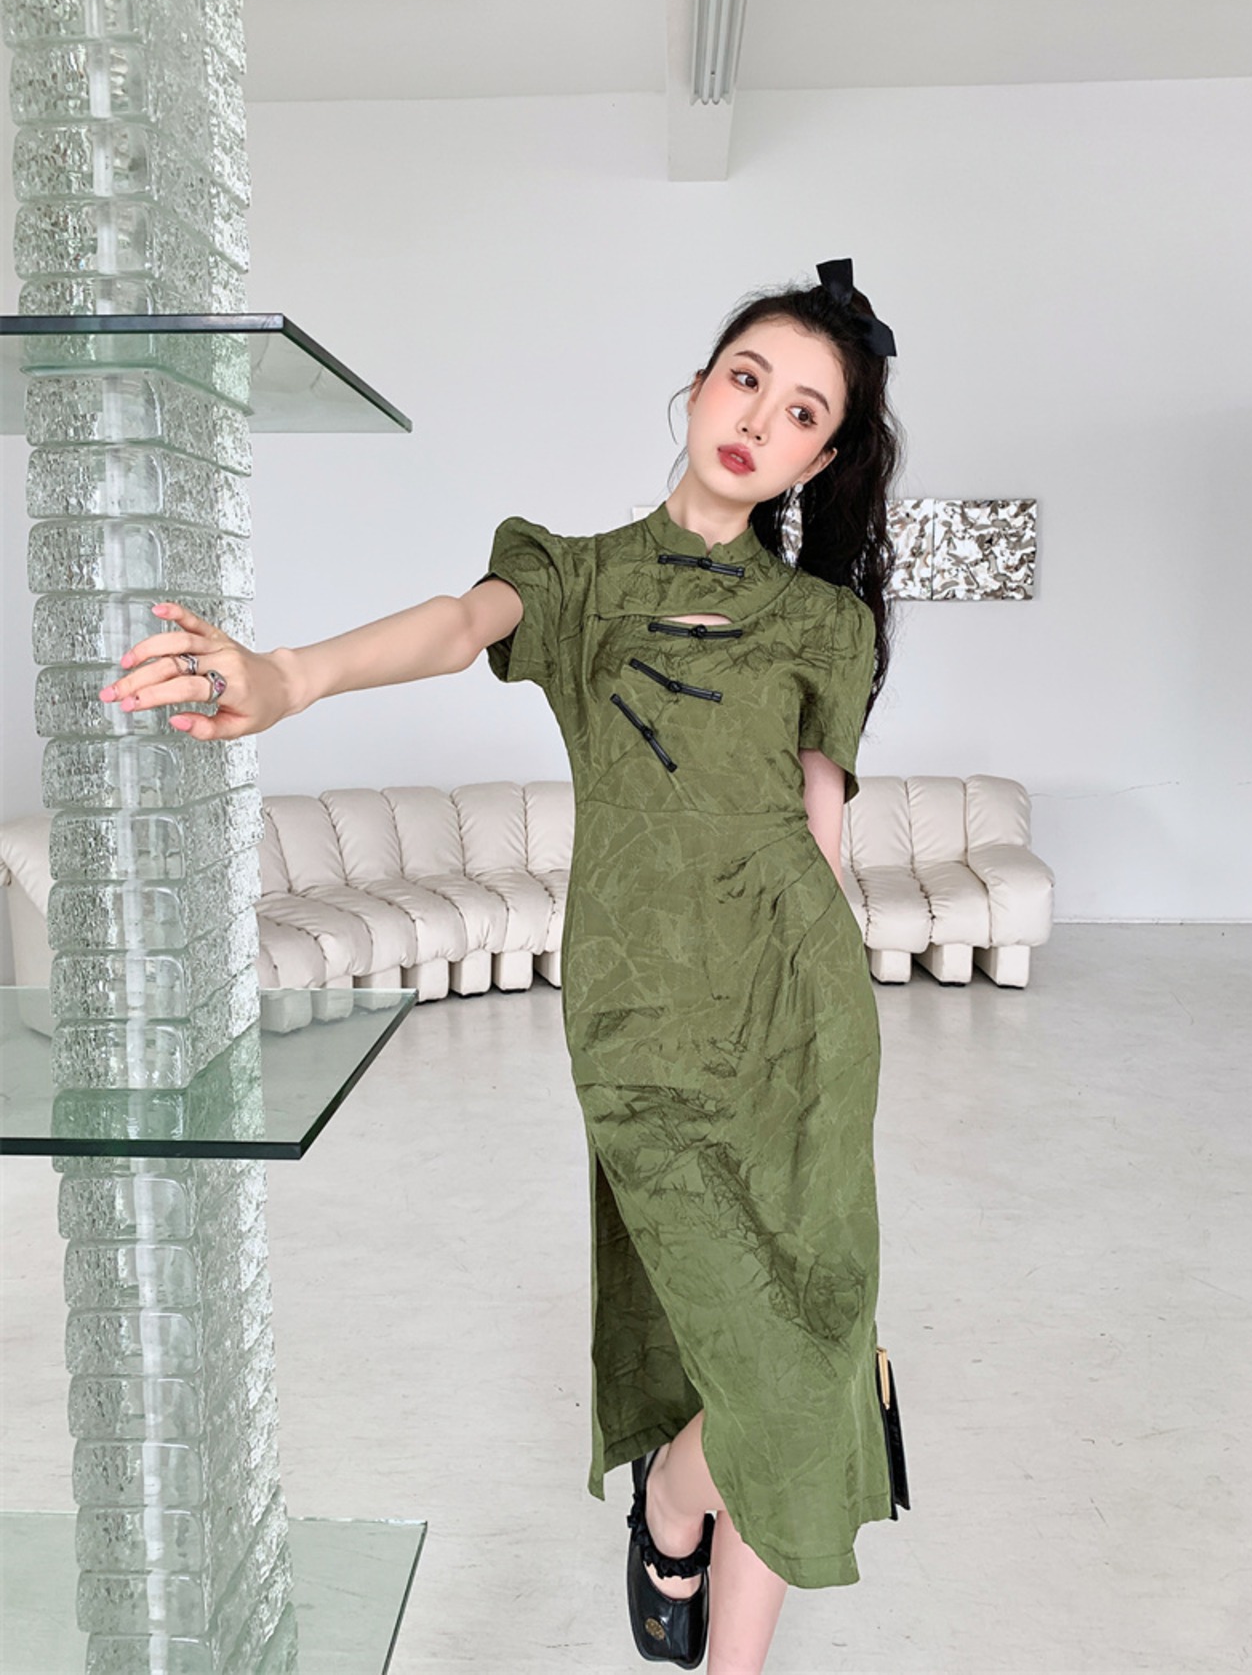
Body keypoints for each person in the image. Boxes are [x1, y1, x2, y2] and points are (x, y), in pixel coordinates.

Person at [97, 257, 904, 1675]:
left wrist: (834, 1040)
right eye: (746, 379)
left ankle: (710, 1592)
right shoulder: (574, 576)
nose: (757, 419)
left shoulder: (826, 626)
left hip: (802, 1025)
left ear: (820, 460)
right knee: (782, 1370)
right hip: (645, 1025)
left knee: (807, 1345)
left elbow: (820, 833)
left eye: (800, 412)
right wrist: (289, 676)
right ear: (700, 385)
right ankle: (674, 1497)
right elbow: (456, 622)